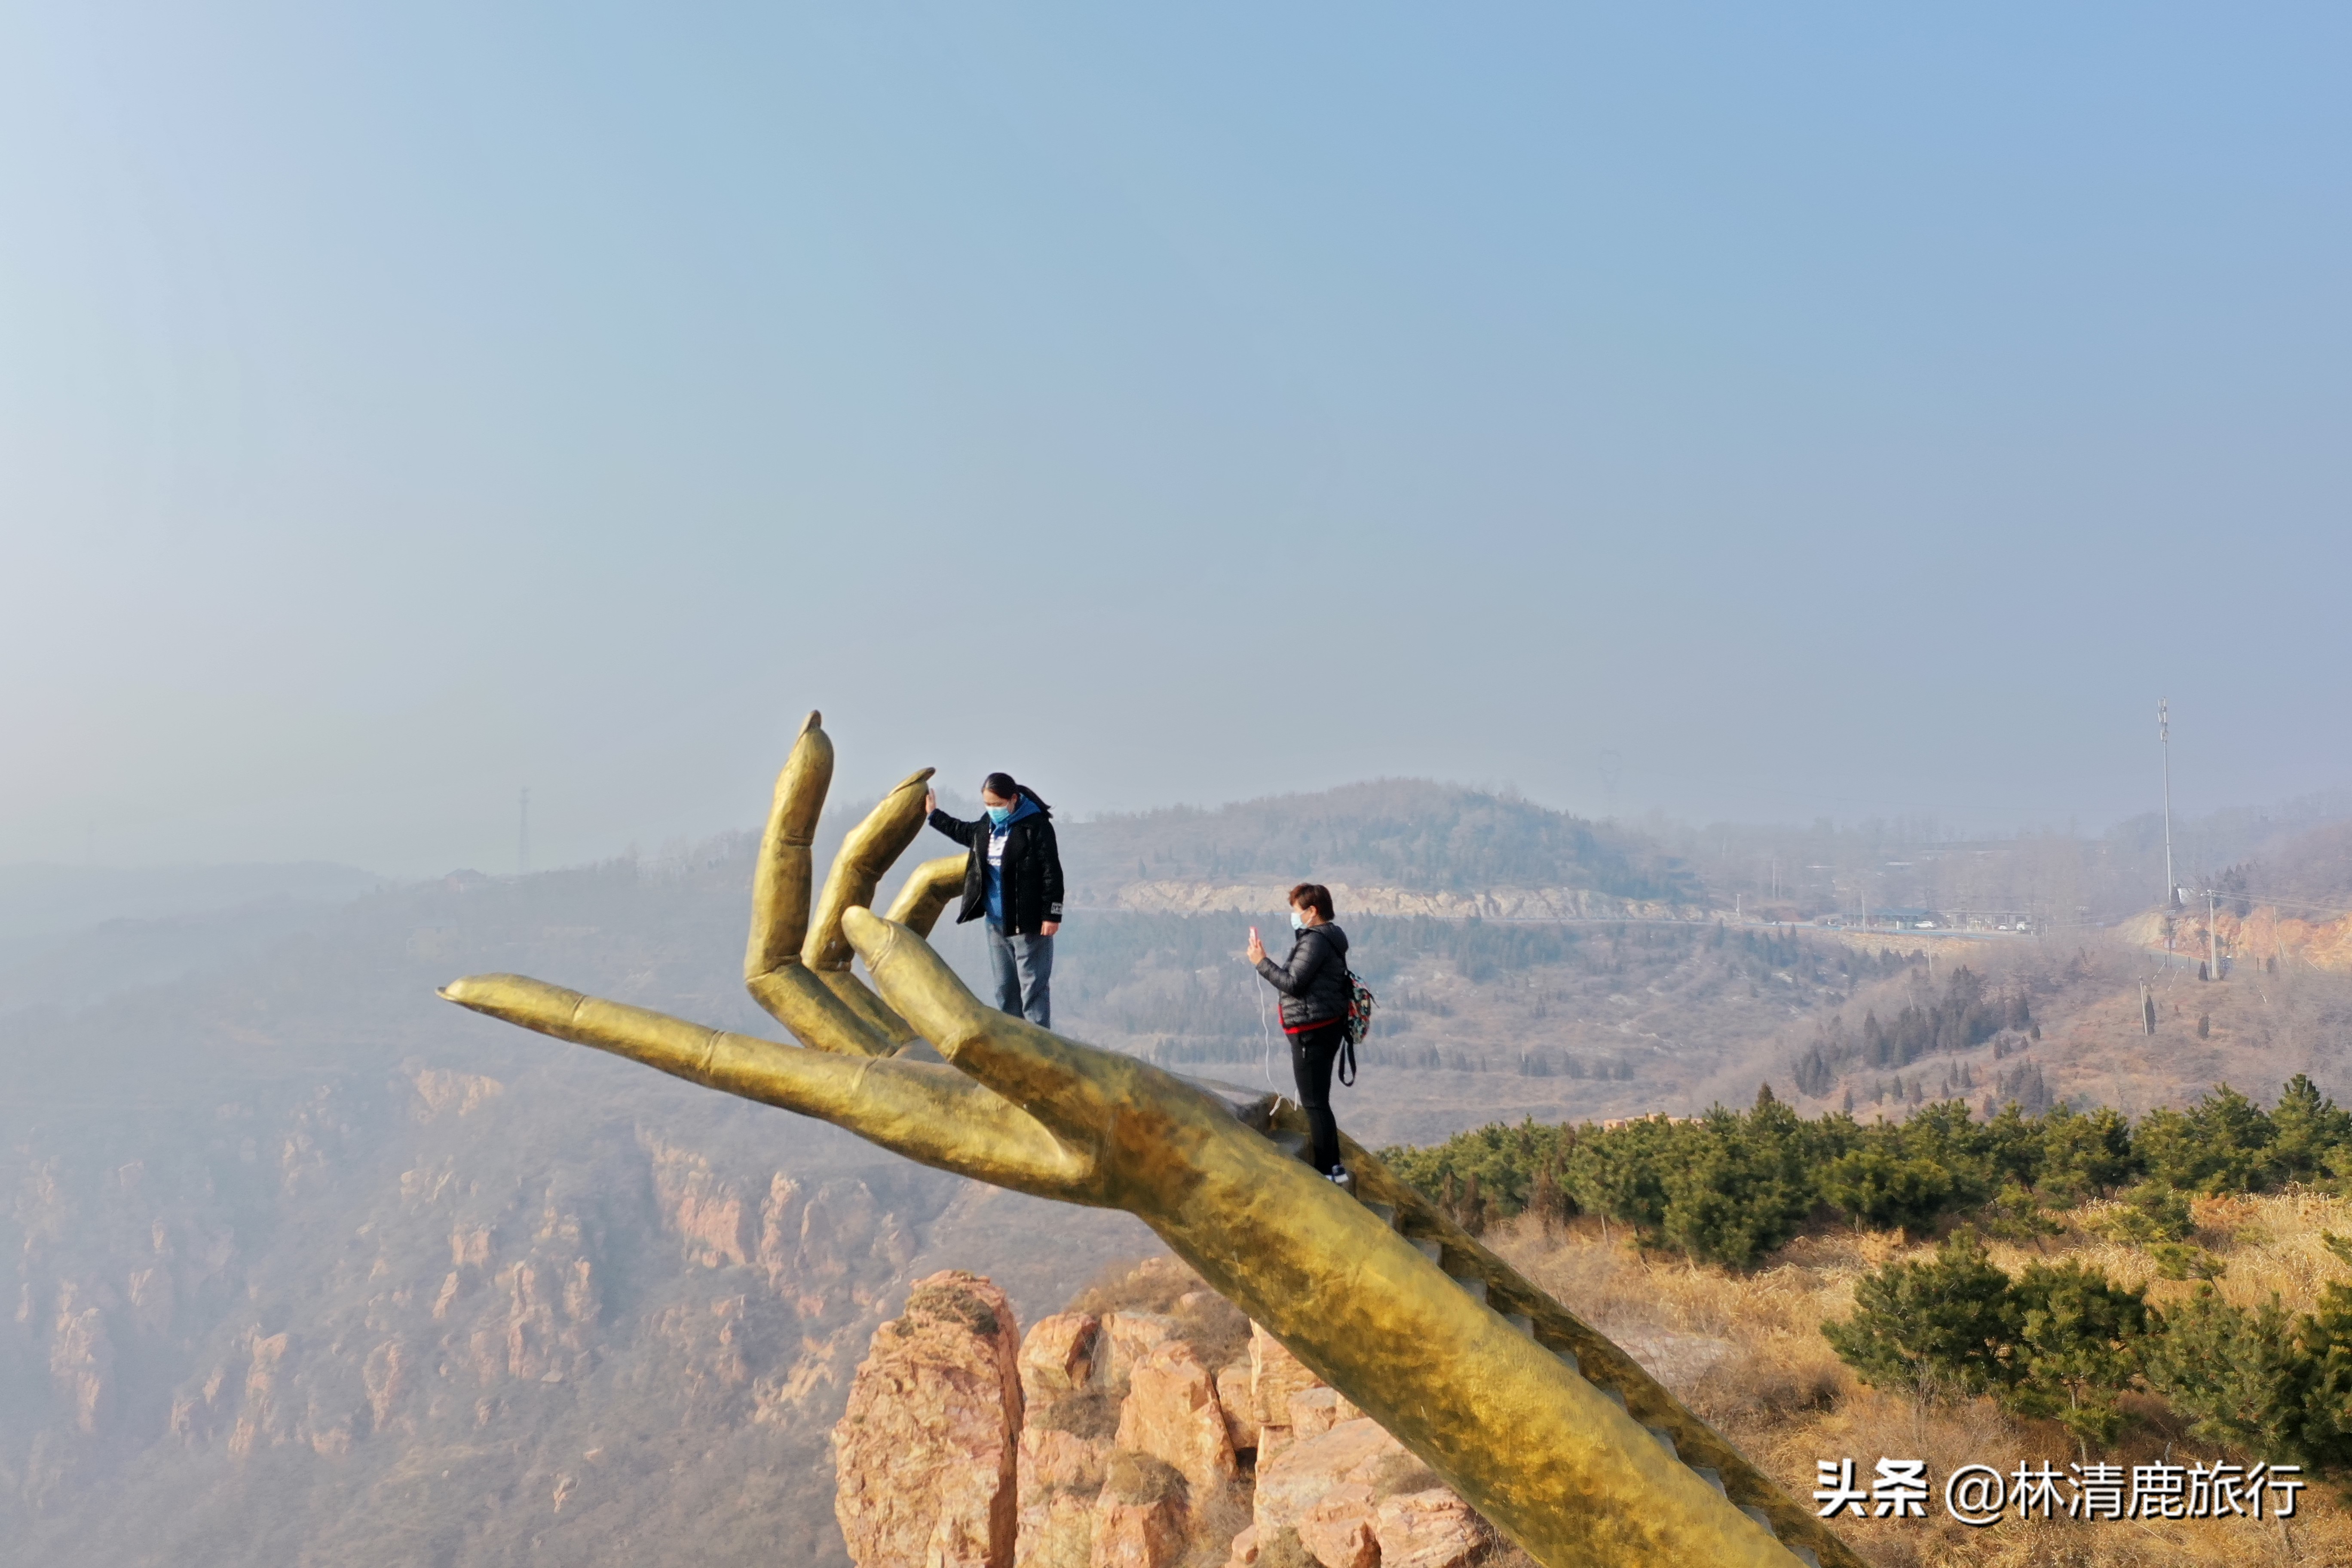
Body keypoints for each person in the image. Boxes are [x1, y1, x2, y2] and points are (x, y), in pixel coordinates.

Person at [925, 772, 1063, 1028]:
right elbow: (963, 832)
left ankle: (1038, 1045)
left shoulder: (1036, 826)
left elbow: (1051, 872)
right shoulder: (987, 826)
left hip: (1029, 923)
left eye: (997, 804)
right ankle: (1013, 1043)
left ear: (1013, 799)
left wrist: (1052, 915)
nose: (992, 810)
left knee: (1033, 991)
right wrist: (934, 815)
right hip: (996, 924)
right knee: (1005, 989)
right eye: (988, 804)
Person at [1247, 883, 1354, 1189]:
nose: (1294, 917)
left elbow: (1293, 983)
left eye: (1297, 911)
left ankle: (1327, 1171)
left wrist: (1261, 962)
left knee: (1314, 1103)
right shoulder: (1328, 938)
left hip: (1312, 1031)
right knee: (1320, 1101)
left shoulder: (1315, 942)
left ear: (1312, 911)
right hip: (1326, 1026)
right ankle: (1334, 1167)